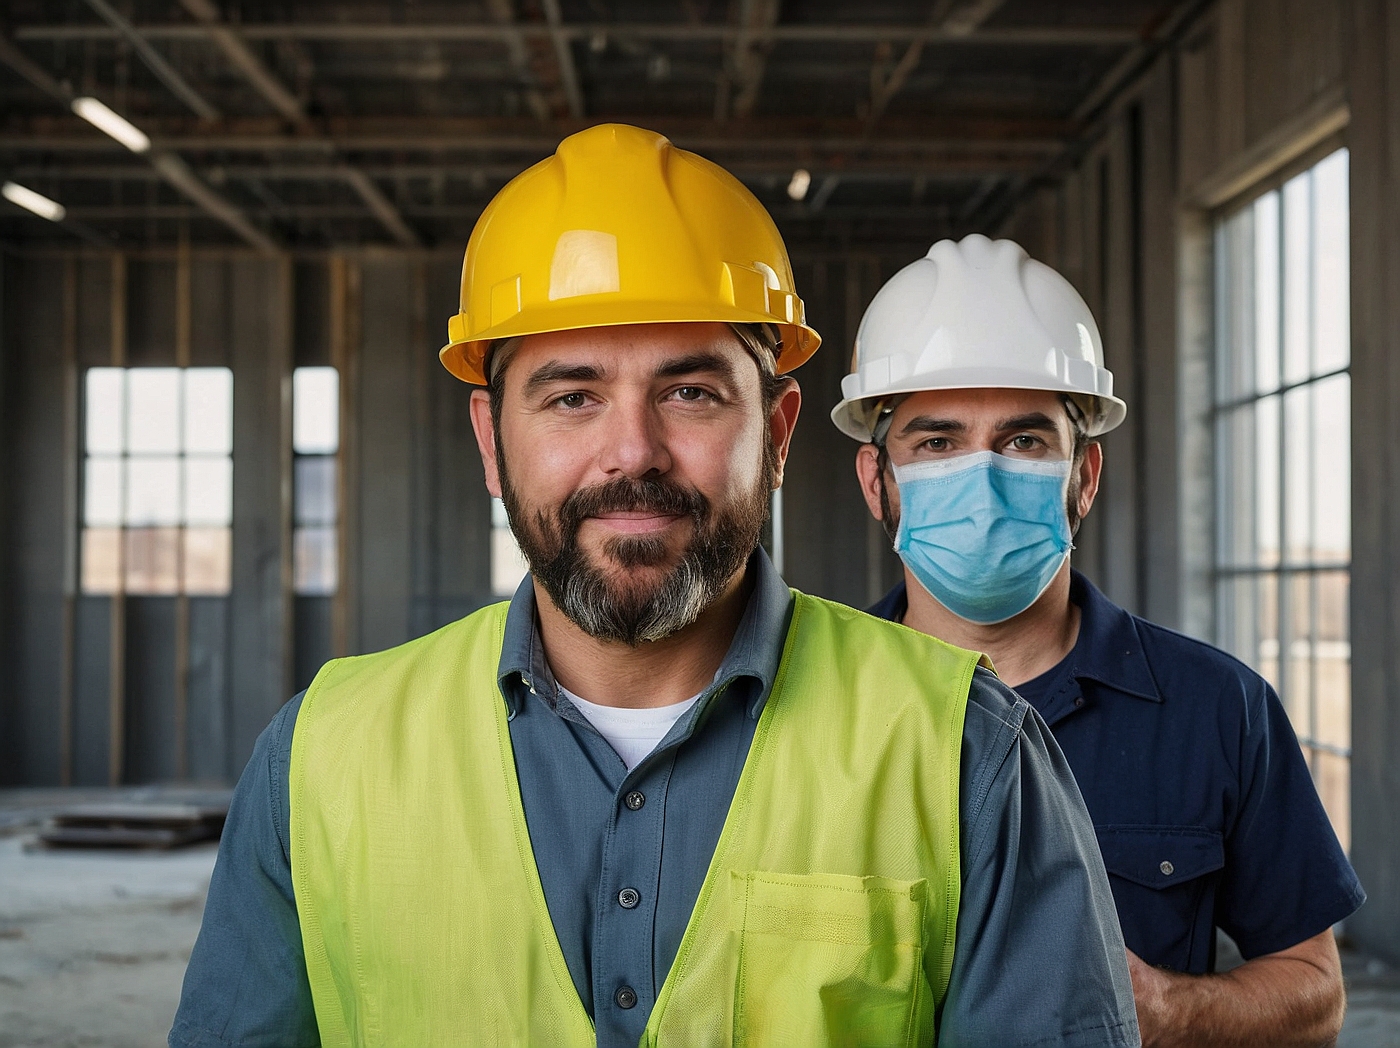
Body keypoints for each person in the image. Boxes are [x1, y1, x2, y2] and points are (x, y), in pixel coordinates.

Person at [170, 126, 1140, 1048]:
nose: (630, 451)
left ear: (780, 431)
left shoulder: (965, 749)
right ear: (489, 440)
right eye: (571, 394)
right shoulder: (320, 757)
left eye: (689, 391)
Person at [833, 233, 1367, 1048]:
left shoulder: (1217, 708)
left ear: (1084, 476)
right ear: (879, 481)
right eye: (936, 443)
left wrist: (1167, 1009)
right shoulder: (802, 703)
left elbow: (1315, 997)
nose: (982, 479)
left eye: (1025, 440)